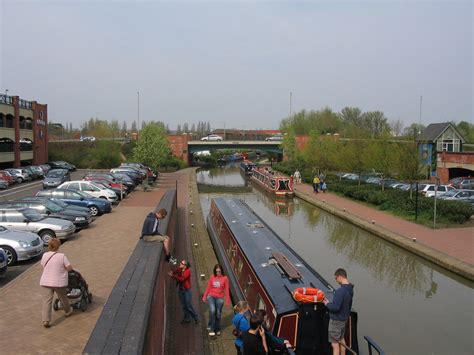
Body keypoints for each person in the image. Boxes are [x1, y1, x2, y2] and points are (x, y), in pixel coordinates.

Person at [40, 238, 73, 328]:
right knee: (63, 298)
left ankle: (46, 320)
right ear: (58, 246)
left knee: (47, 301)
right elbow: (69, 267)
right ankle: (68, 311)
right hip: (59, 282)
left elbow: (43, 265)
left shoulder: (45, 255)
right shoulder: (62, 256)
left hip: (46, 281)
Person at [323, 268, 354, 355]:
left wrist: (327, 304)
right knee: (341, 339)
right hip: (343, 320)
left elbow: (336, 308)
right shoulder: (350, 288)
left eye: (336, 278)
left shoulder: (340, 291)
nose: (336, 280)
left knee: (335, 344)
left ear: (340, 277)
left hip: (336, 321)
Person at [202, 264, 231, 336]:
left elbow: (226, 289)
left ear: (222, 271)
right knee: (212, 310)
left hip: (220, 298)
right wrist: (205, 296)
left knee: (218, 314)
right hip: (211, 296)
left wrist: (227, 300)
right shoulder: (212, 277)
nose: (218, 273)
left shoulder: (225, 278)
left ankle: (217, 328)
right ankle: (212, 328)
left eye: (219, 272)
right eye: (216, 271)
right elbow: (208, 287)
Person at [168, 259, 199, 324]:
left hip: (187, 291)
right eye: (181, 263)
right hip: (181, 290)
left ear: (185, 266)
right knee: (183, 306)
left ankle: (196, 318)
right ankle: (187, 318)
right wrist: (172, 272)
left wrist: (173, 276)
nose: (180, 264)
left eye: (182, 264)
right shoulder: (180, 269)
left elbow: (182, 279)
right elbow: (176, 271)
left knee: (188, 306)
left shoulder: (188, 271)